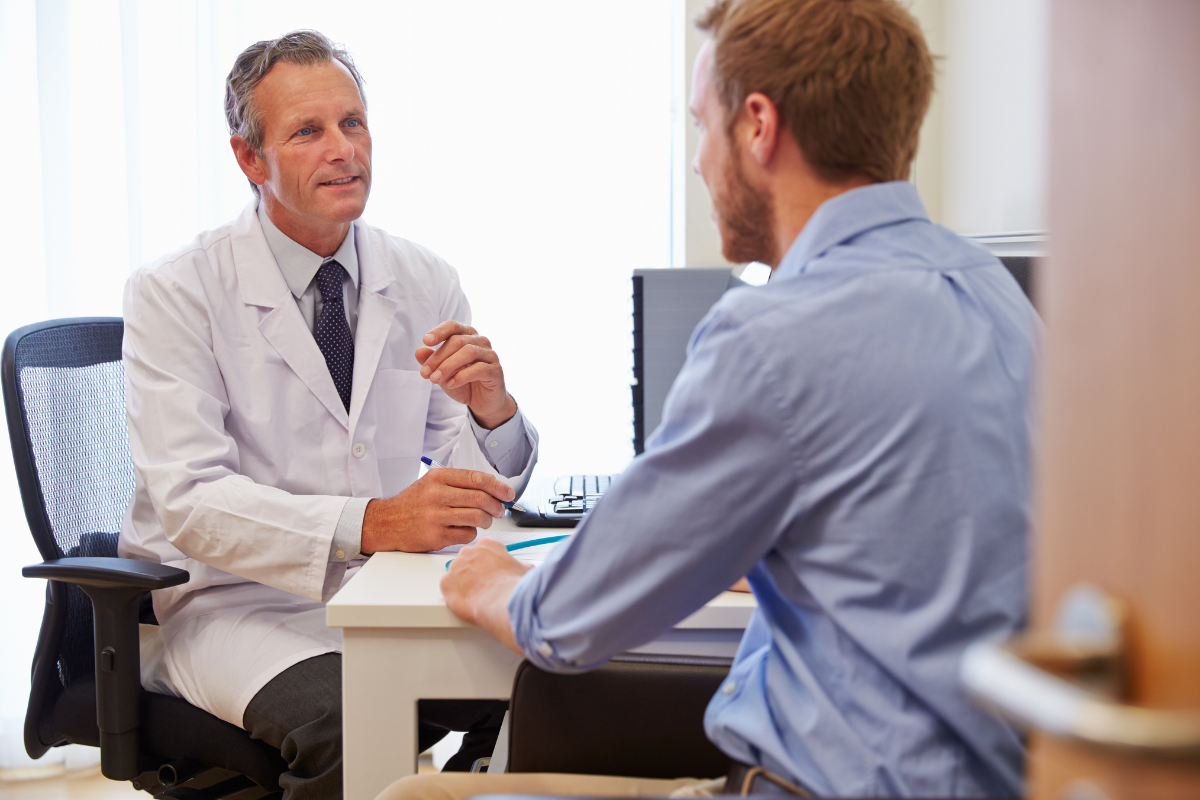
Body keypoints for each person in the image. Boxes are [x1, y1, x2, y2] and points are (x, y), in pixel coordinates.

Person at [381, 0, 1036, 798]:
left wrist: (489, 579)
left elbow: (568, 621)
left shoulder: (774, 334)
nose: (697, 162)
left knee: (413, 791)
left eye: (702, 125)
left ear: (758, 125)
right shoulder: (1001, 299)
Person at [118, 30, 538, 799]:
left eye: (353, 123)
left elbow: (464, 492)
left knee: (538, 681)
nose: (343, 150)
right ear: (251, 159)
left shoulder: (422, 277)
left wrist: (492, 413)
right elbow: (190, 502)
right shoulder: (176, 292)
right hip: (231, 605)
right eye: (307, 131)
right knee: (347, 723)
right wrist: (372, 522)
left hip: (384, 592)